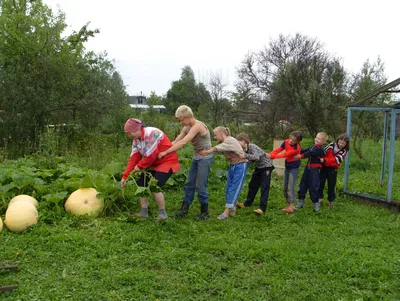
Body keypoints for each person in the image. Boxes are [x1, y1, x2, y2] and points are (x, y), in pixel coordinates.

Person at [157, 105, 213, 220]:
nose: (180, 122)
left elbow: (183, 142)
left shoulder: (197, 126)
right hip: (197, 157)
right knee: (189, 183)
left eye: (181, 119)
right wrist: (161, 149)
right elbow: (177, 140)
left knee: (200, 185)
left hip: (205, 157)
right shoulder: (187, 127)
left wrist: (166, 152)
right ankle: (184, 209)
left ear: (188, 117)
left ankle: (204, 211)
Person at [121, 118, 180, 221]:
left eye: (130, 133)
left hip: (167, 161)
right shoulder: (136, 140)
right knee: (141, 183)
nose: (129, 136)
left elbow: (150, 157)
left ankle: (163, 214)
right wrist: (125, 176)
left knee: (154, 186)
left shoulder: (153, 133)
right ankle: (144, 212)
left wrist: (138, 167)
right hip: (154, 163)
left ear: (137, 129)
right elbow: (134, 157)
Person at [200, 127, 248, 220]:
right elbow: (220, 150)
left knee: (234, 187)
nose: (214, 137)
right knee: (229, 187)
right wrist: (206, 152)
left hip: (241, 165)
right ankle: (232, 207)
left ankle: (226, 212)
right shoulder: (225, 143)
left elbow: (221, 147)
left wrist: (209, 151)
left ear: (221, 133)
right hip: (233, 165)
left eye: (215, 135)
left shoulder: (230, 140)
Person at [235, 133, 274, 215]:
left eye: (238, 142)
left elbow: (256, 157)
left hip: (266, 167)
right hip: (259, 167)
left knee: (264, 187)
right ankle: (247, 203)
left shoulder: (252, 146)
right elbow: (251, 160)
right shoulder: (247, 149)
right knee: (252, 185)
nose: (237, 144)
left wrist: (245, 156)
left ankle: (262, 208)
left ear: (243, 141)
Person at [266, 131, 303, 214]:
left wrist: (271, 156)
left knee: (290, 187)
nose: (290, 141)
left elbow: (284, 155)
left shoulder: (296, 148)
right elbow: (278, 150)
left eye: (293, 140)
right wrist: (270, 154)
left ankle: (291, 205)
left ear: (297, 141)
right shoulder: (286, 142)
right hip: (288, 167)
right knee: (285, 187)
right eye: (290, 139)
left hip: (294, 168)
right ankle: (289, 204)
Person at [295, 132, 328, 212]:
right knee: (303, 185)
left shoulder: (319, 149)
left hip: (314, 171)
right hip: (307, 169)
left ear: (323, 142)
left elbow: (310, 153)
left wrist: (301, 156)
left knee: (313, 187)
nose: (317, 139)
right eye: (316, 137)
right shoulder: (313, 147)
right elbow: (305, 150)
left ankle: (316, 204)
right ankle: (300, 202)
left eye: (319, 139)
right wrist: (297, 149)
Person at [318, 133, 350, 207]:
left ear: (346, 144)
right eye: (340, 142)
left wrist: (325, 160)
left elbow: (336, 160)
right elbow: (324, 151)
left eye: (343, 143)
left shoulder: (344, 151)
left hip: (333, 169)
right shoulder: (331, 145)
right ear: (337, 140)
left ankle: (330, 200)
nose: (341, 144)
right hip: (324, 167)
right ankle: (319, 198)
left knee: (331, 184)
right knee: (320, 182)